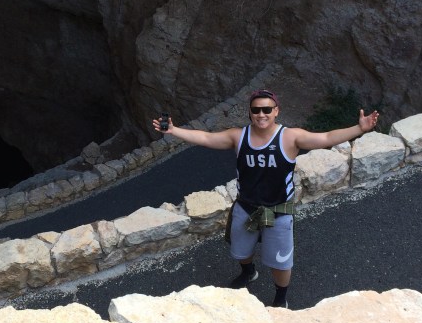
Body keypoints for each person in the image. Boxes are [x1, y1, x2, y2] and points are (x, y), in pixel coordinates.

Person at [152, 89, 379, 308]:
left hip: (278, 211)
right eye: (256, 110)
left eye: (267, 109)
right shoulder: (239, 137)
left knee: (281, 262)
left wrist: (359, 128)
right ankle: (249, 272)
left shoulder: (290, 137)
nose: (262, 114)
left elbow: (327, 137)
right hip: (246, 206)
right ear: (250, 112)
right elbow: (205, 137)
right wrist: (174, 130)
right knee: (241, 251)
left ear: (276, 111)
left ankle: (281, 297)